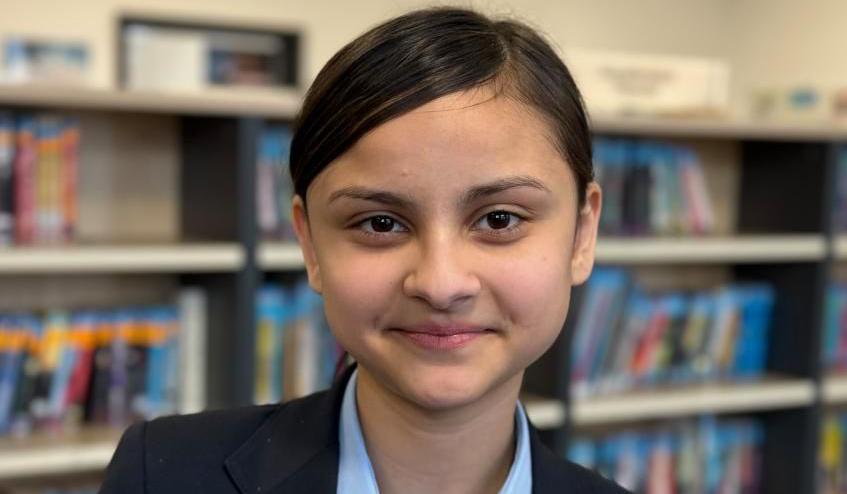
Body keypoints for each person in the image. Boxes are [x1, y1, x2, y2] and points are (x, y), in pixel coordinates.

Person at [99, 6, 630, 494]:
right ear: (309, 244)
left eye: (499, 219)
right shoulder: (161, 473)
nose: (441, 284)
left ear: (582, 236)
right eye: (380, 223)